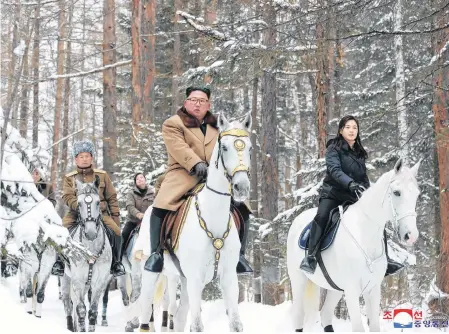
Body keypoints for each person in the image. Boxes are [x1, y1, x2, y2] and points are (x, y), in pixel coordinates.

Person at [144, 86, 253, 274]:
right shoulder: (173, 123)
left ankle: (240, 256)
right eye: (193, 100)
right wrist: (195, 163)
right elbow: (177, 147)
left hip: (214, 175)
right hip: (183, 174)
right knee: (161, 205)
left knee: (243, 208)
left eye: (202, 101)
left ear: (208, 105)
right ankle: (156, 254)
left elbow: (228, 147)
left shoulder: (218, 125)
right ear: (186, 102)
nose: (197, 104)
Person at [299, 115, 404, 277]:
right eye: (348, 127)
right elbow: (335, 171)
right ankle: (311, 257)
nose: (352, 130)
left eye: (355, 127)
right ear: (341, 130)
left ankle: (386, 259)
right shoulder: (333, 148)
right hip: (333, 193)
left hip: (354, 195)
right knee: (322, 215)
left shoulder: (359, 153)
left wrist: (370, 194)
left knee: (376, 217)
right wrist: (350, 183)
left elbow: (363, 177)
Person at [51, 141, 125, 277]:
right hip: (75, 213)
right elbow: (67, 196)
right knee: (61, 232)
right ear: (76, 159)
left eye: (87, 156)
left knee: (117, 232)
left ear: (92, 158)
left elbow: (112, 197)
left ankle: (116, 263)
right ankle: (59, 263)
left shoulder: (102, 175)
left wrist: (115, 215)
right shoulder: (70, 178)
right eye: (81, 156)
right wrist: (80, 206)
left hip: (100, 214)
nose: (84, 159)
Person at [122, 173, 155, 258]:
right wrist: (138, 214)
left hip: (149, 221)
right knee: (123, 235)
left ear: (145, 179)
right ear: (135, 182)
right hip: (134, 221)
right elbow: (130, 206)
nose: (140, 179)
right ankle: (119, 258)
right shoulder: (131, 193)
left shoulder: (153, 192)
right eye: (137, 179)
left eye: (141, 177)